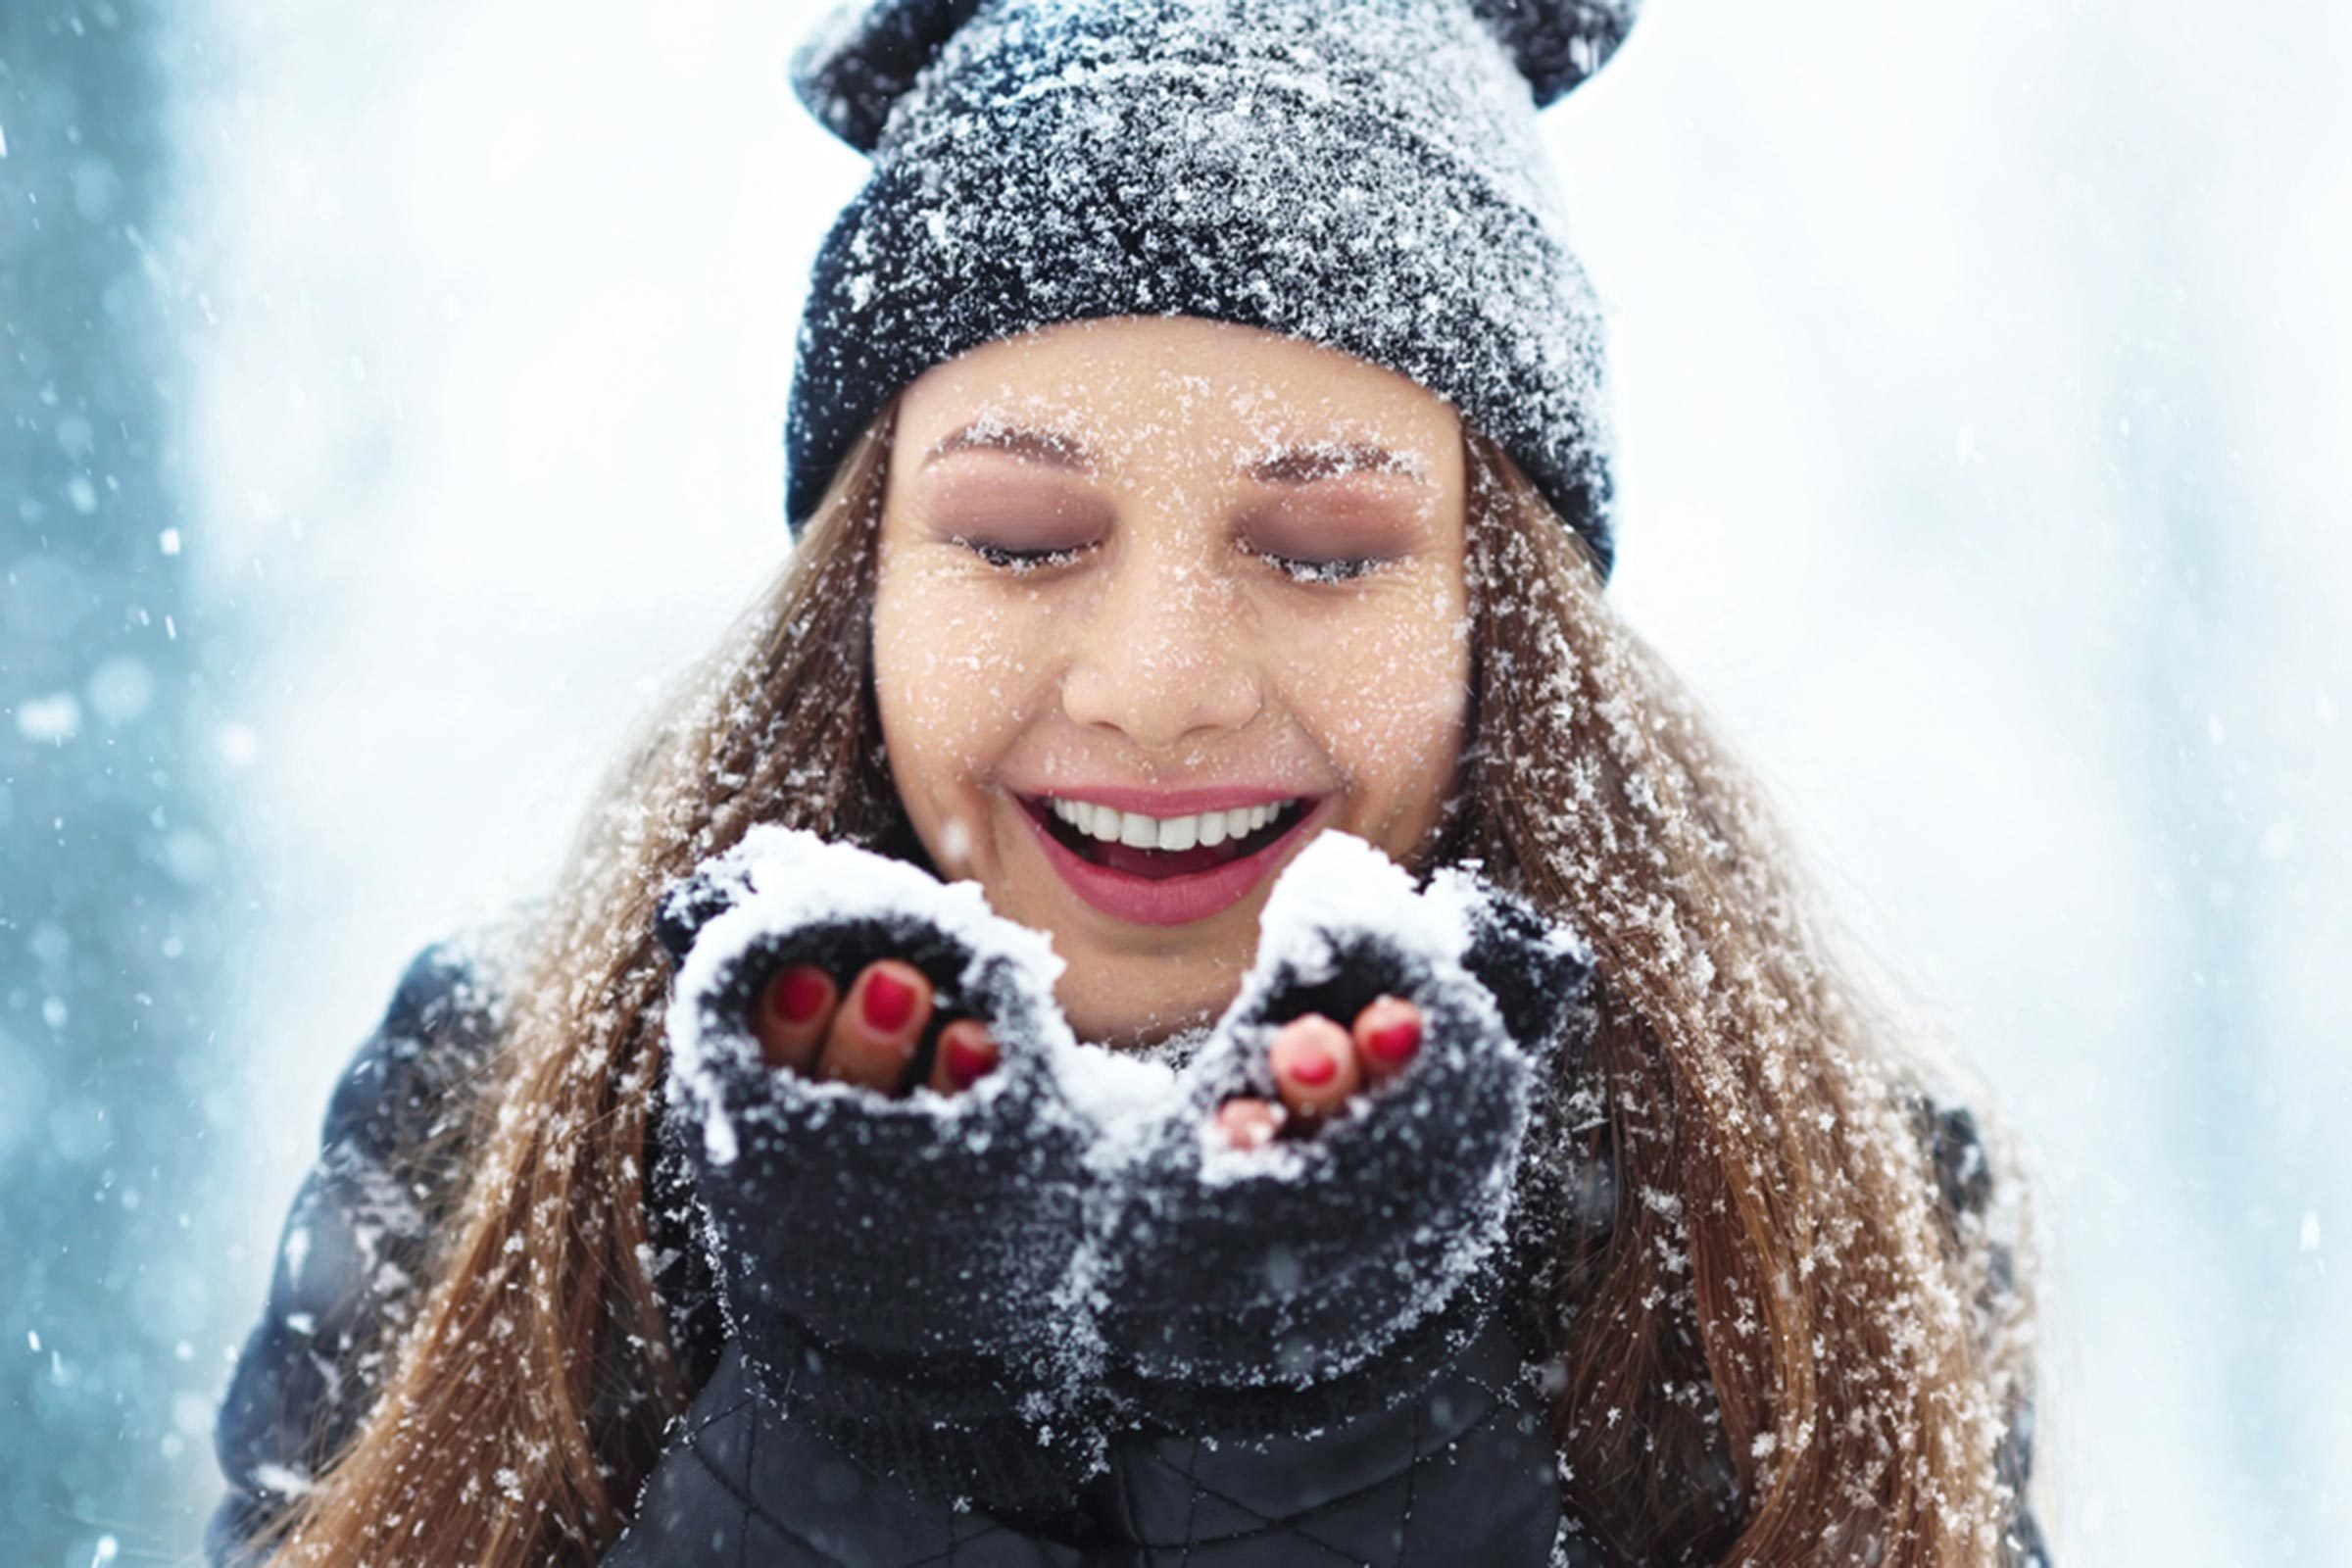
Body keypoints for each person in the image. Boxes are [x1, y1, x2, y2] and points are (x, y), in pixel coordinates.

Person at [207, 1, 2049, 1564]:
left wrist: (1343, 1449)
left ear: (1506, 610)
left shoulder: (1805, 1194)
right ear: (865, 587)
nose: (1161, 686)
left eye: (1323, 550)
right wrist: (859, 1430)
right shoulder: (507, 1110)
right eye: (1017, 538)